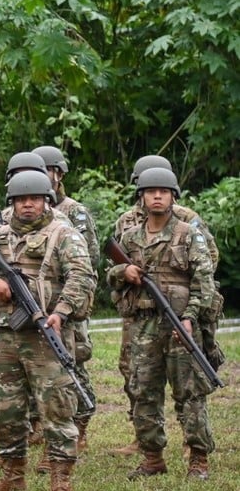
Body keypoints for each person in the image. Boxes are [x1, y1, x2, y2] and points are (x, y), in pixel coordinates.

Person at [0, 170, 95, 491]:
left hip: (47, 334)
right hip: (4, 334)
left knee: (56, 407)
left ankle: (60, 478)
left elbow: (82, 276)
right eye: (21, 200)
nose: (28, 205)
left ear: (47, 200)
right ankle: (12, 475)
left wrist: (61, 312)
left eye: (35, 199)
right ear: (12, 203)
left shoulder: (63, 234)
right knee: (7, 408)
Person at [107, 167, 216, 481]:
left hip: (180, 325)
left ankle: (198, 459)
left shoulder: (188, 234)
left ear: (173, 196)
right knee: (143, 391)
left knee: (191, 393)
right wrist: (123, 272)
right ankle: (152, 458)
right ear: (141, 196)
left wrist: (190, 317)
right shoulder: (130, 237)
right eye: (151, 191)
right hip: (143, 325)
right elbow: (109, 274)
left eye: (163, 191)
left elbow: (204, 283)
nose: (157, 196)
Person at [32, 145, 98, 451]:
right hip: (34, 302)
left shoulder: (74, 212)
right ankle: (37, 425)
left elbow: (89, 258)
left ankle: (79, 423)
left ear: (58, 175)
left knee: (73, 360)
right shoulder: (21, 208)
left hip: (67, 303)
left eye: (46, 170)